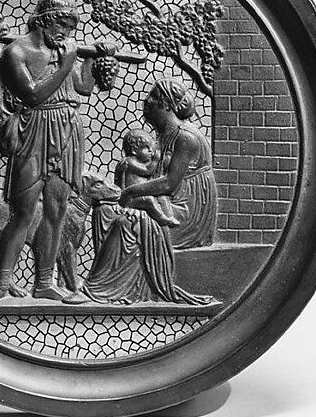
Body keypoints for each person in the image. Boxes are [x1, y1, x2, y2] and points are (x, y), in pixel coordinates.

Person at [0, 0, 96, 306]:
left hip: (67, 129)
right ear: (43, 21)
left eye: (71, 28)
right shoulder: (16, 52)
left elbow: (82, 88)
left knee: (57, 211)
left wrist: (92, 60)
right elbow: (32, 95)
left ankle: (44, 283)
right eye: (62, 25)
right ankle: (1, 283)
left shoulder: (62, 49)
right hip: (34, 130)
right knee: (23, 211)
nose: (67, 33)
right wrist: (67, 62)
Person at [81, 78, 218, 305]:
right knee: (103, 211)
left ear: (166, 104)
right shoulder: (162, 135)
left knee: (127, 222)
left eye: (153, 97)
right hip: (165, 200)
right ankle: (116, 283)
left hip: (185, 212)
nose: (147, 101)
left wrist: (130, 192)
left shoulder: (186, 137)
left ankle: (101, 289)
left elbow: (169, 183)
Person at [115, 129, 179, 227]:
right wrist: (155, 160)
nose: (151, 151)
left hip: (138, 195)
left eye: (151, 147)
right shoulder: (128, 162)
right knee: (149, 200)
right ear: (134, 151)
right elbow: (147, 170)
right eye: (146, 148)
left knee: (162, 198)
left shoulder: (136, 161)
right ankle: (161, 218)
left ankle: (169, 217)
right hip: (129, 199)